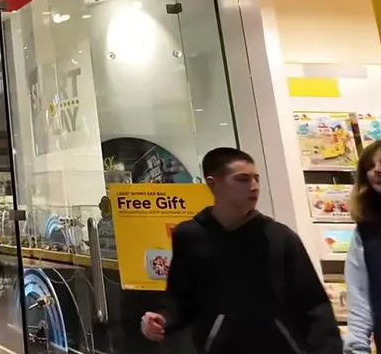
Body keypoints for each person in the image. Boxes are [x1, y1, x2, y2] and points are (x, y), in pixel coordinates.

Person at [140, 147, 340, 354]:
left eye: (256, 179)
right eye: (243, 179)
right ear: (212, 184)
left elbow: (314, 305)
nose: (254, 187)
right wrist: (162, 319)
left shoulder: (280, 238)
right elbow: (181, 297)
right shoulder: (190, 236)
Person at [346, 138, 381, 354]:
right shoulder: (366, 234)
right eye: (370, 166)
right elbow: (359, 302)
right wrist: (356, 350)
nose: (377, 170)